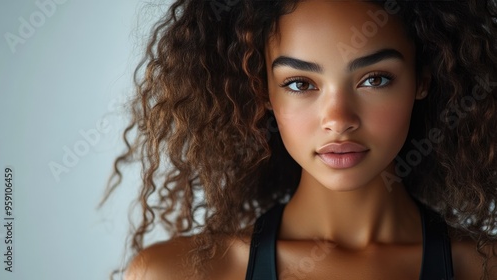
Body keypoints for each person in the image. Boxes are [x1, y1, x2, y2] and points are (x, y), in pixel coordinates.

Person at [100, 0, 497, 279]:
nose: (339, 120)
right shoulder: (175, 275)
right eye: (300, 83)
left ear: (422, 80)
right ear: (264, 93)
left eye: (375, 78)